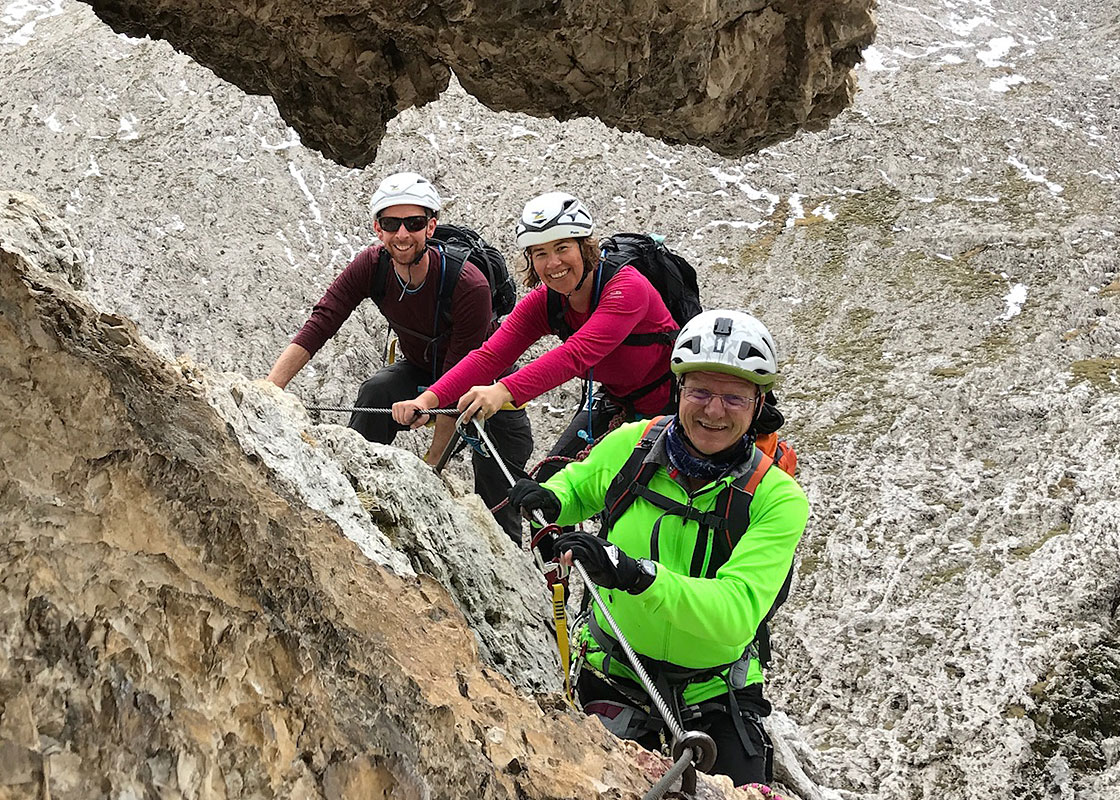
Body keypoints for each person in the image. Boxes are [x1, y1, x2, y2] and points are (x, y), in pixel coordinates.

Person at [502, 309, 808, 787]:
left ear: (758, 403)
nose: (713, 411)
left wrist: (635, 575)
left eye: (733, 397)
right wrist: (550, 497)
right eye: (701, 392)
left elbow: (735, 612)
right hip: (616, 671)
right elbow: (580, 485)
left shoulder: (777, 498)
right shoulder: (633, 444)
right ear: (679, 390)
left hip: (717, 687)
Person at [267, 172, 534, 536]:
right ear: (378, 228)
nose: (403, 234)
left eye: (414, 223)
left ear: (431, 227)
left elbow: (461, 375)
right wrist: (271, 387)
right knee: (377, 391)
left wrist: (430, 468)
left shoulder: (468, 285)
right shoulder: (372, 266)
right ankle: (350, 488)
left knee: (498, 506)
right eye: (392, 223)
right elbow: (324, 320)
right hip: (423, 368)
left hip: (488, 388)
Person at [391, 191, 679, 479]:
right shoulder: (548, 301)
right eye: (540, 253)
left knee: (622, 496)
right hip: (615, 401)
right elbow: (491, 356)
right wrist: (428, 400)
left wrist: (502, 391)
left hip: (670, 408)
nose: (553, 263)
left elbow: (575, 355)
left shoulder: (627, 289)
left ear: (584, 247)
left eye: (562, 248)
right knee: (548, 487)